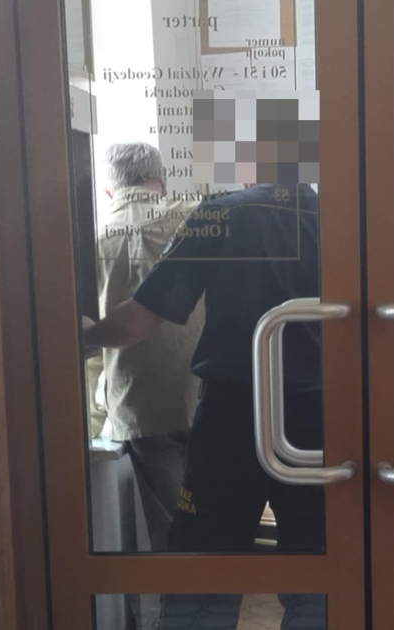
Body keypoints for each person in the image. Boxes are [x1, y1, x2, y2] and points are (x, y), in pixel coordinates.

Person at [82, 182, 325, 630]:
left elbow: (138, 322)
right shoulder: (344, 216)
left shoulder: (221, 214)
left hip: (235, 415)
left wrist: (82, 336)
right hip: (322, 415)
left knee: (205, 567)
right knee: (318, 571)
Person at [93, 142, 204, 553]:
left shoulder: (92, 237)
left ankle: (187, 589)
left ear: (109, 190)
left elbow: (93, 332)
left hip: (140, 403)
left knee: (173, 532)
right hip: (207, 390)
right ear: (162, 181)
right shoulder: (196, 218)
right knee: (219, 515)